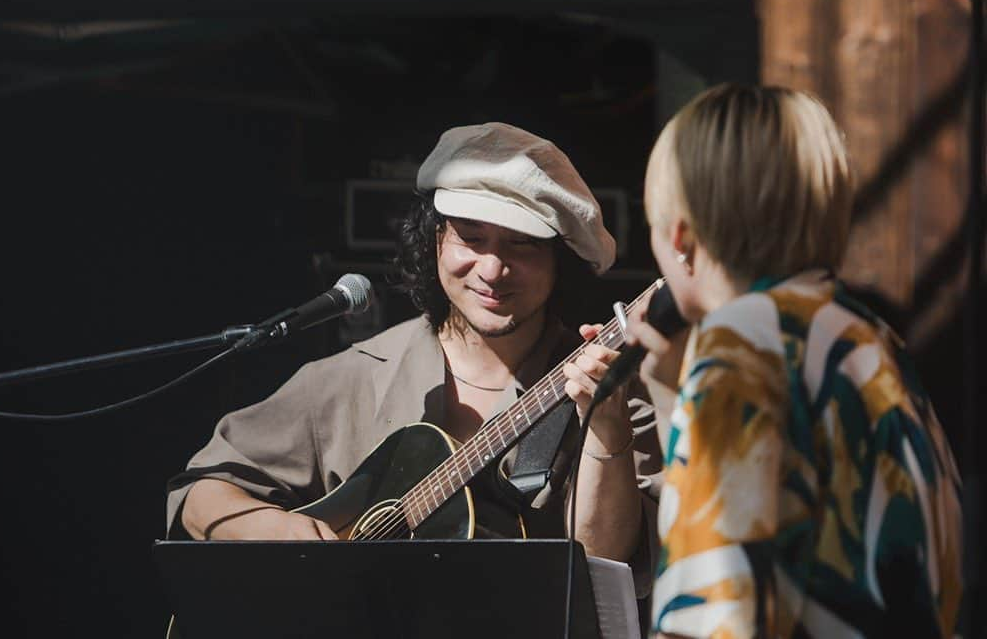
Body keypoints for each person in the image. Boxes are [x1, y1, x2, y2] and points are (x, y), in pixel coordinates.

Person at [165, 122, 662, 619]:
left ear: (561, 261)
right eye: (471, 238)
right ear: (436, 240)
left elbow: (604, 561)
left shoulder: (612, 389)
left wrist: (607, 429)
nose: (492, 269)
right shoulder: (350, 378)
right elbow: (199, 494)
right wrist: (276, 532)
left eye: (522, 245)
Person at [623, 83, 963, 638]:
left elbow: (714, 616)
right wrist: (669, 391)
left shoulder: (743, 342)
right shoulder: (862, 335)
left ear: (682, 237)